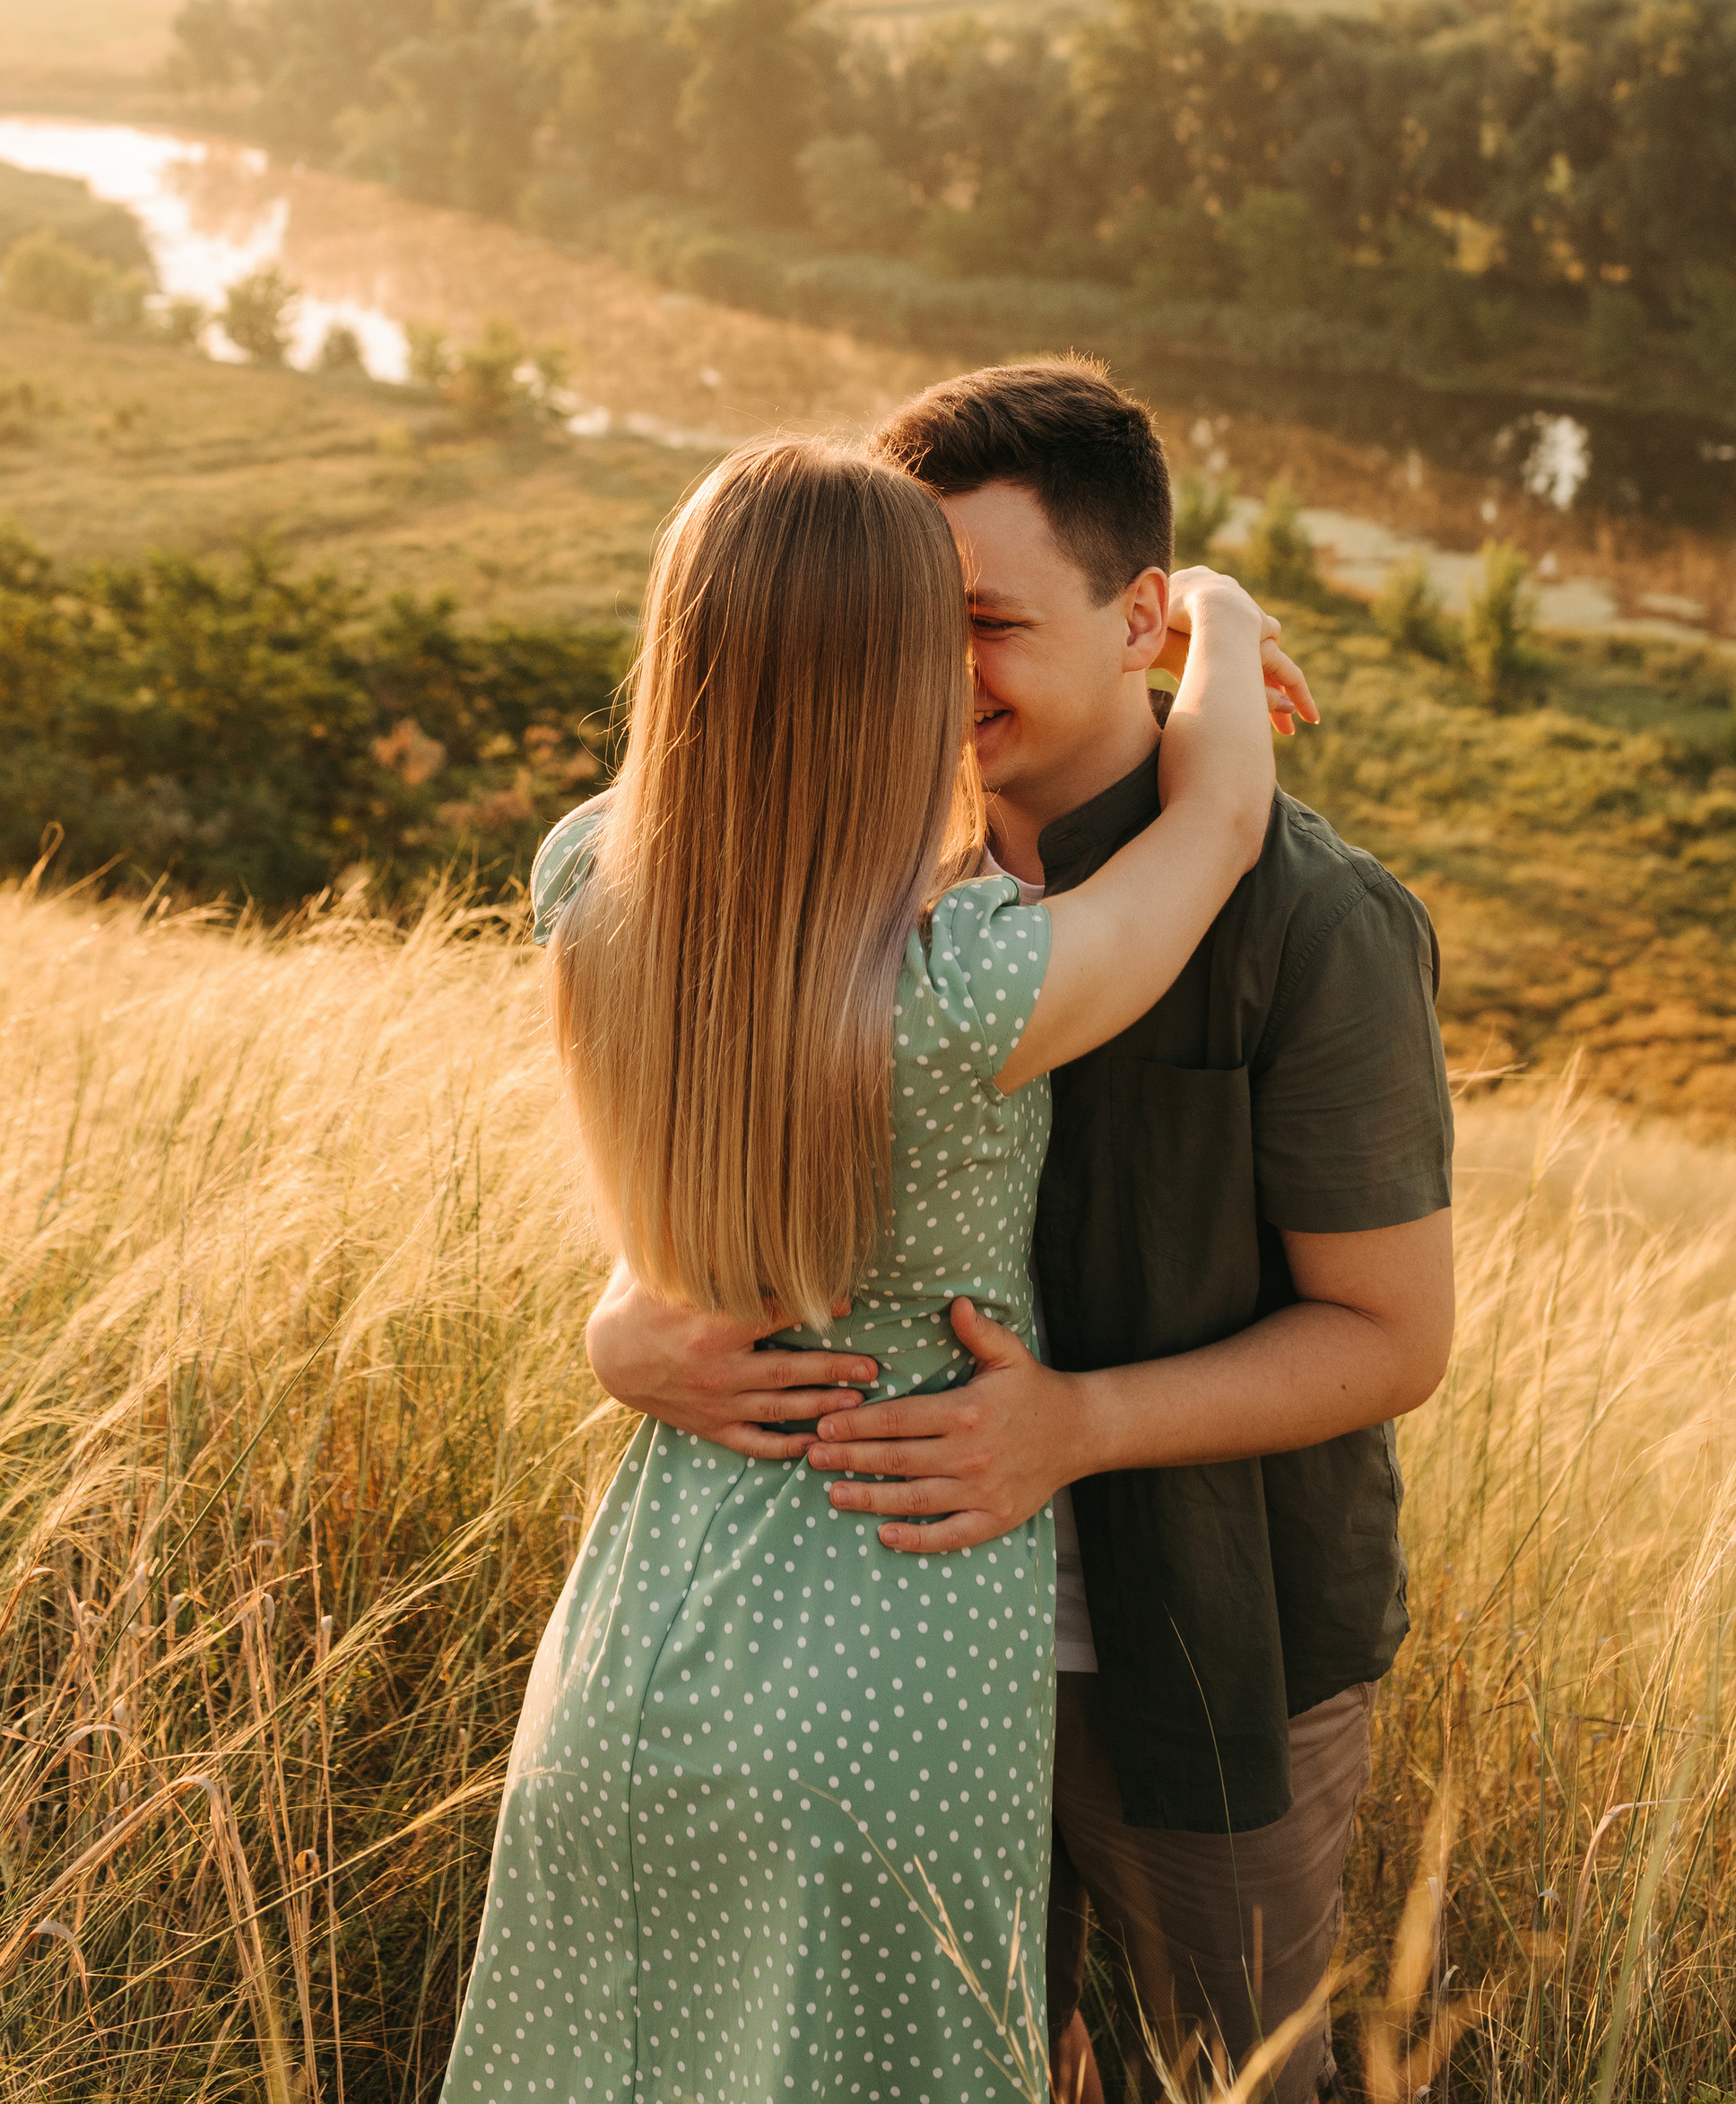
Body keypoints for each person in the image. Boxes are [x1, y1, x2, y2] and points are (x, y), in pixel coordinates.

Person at [589, 363, 1454, 2104]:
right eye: (913, 622)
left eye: (986, 622)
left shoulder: (1311, 924)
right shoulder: (844, 875)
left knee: (1244, 2079)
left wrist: (1079, 1427)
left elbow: (1389, 1338)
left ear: (1136, 618)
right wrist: (623, 1323)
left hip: (1205, 1649)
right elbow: (727, 1192)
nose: (934, 673)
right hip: (888, 1634)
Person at [439, 434, 1306, 2102]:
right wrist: (1208, 604)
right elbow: (1221, 818)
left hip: (631, 1651)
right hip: (888, 1652)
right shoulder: (965, 988)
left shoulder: (589, 890)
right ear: (900, 682)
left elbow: (714, 810)